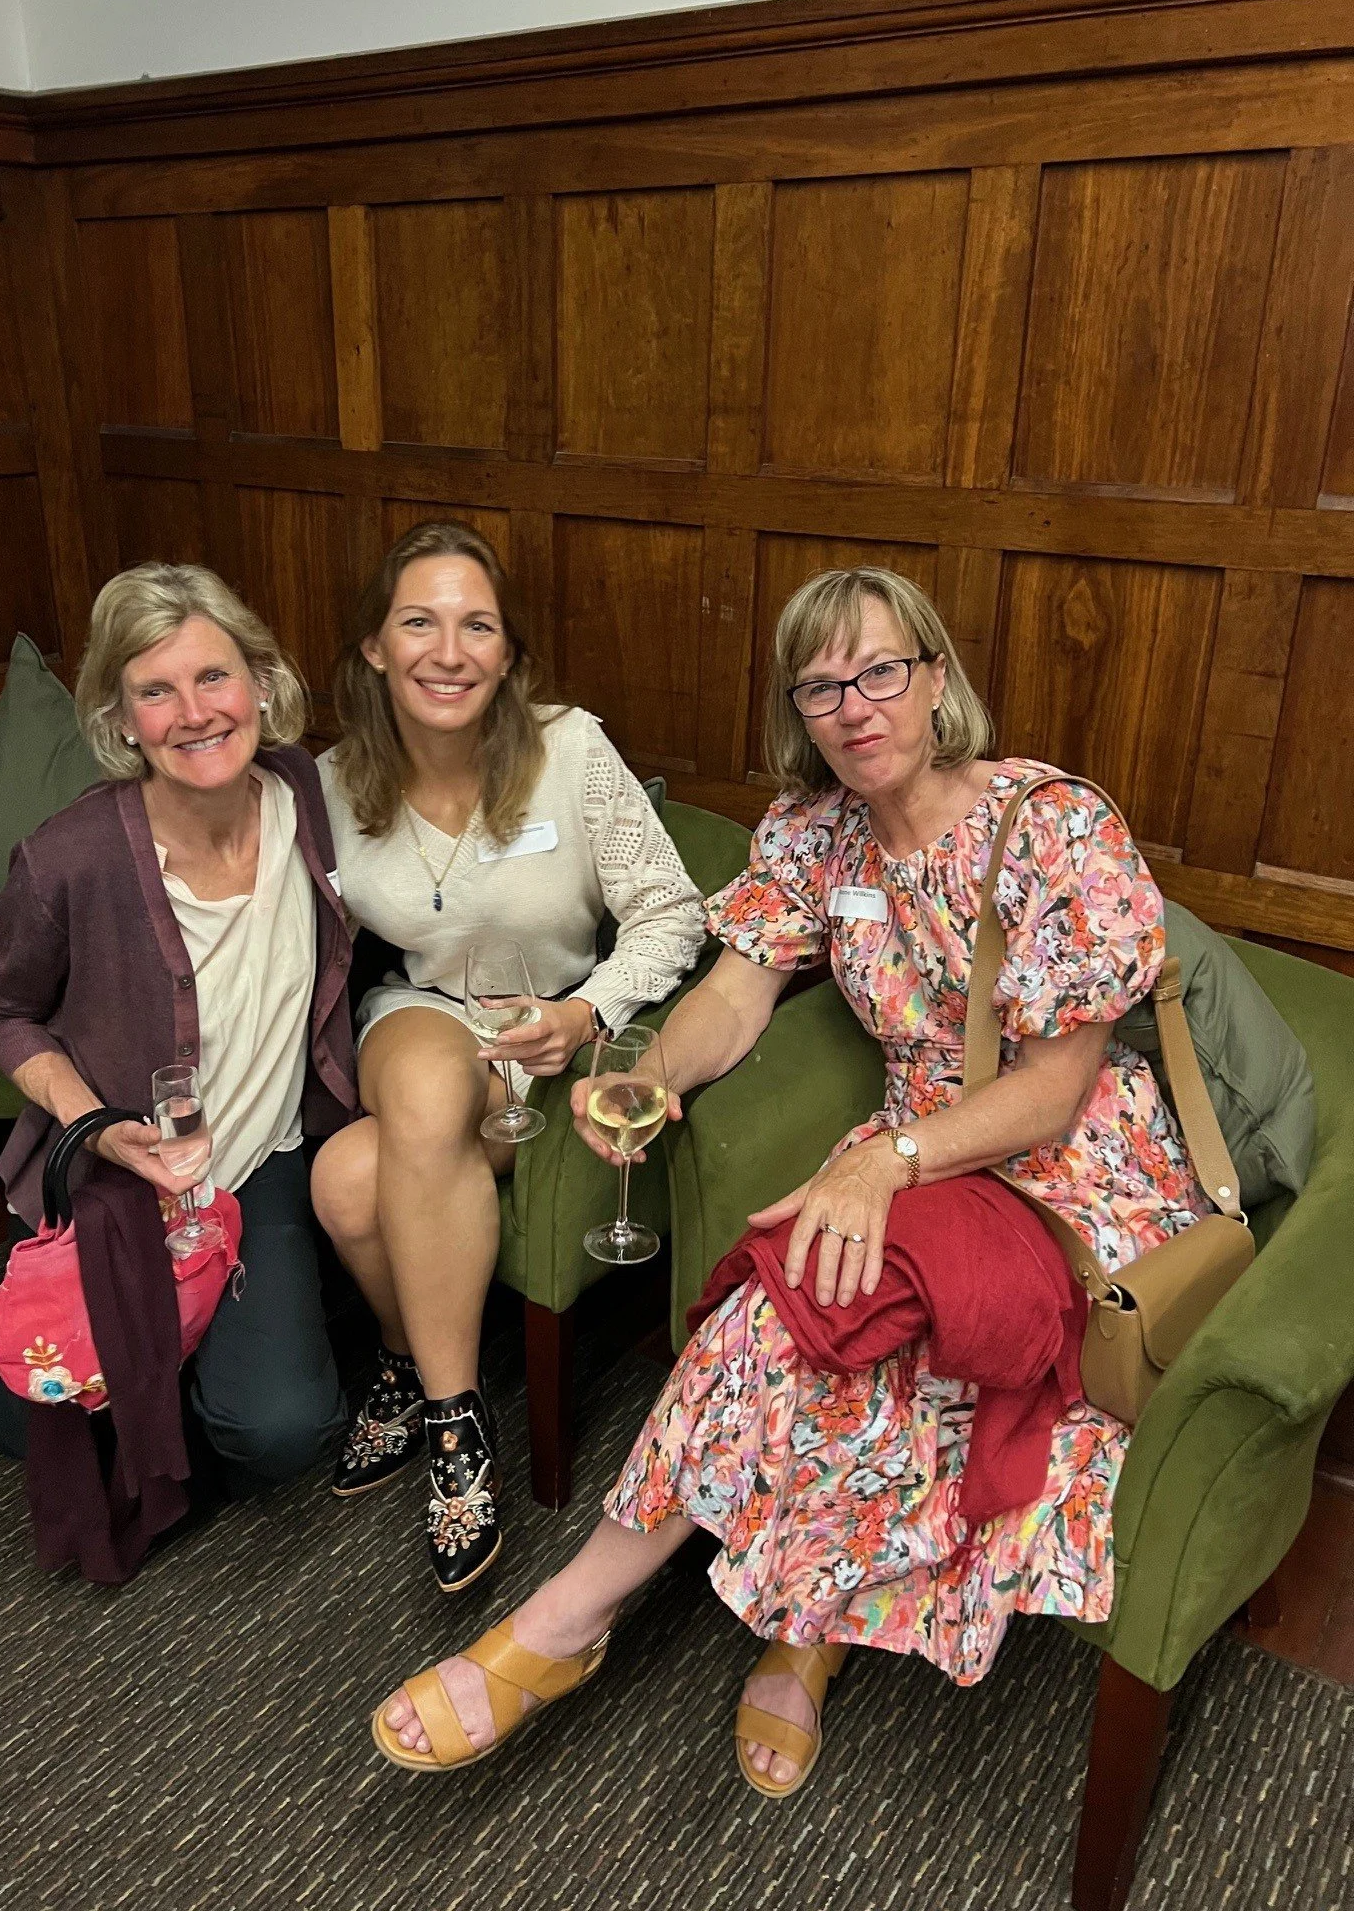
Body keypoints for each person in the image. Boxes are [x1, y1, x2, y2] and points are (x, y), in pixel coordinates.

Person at [369, 565, 1209, 1790]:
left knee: (801, 1307)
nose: (855, 707)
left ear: (935, 677)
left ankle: (572, 1626)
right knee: (818, 1317)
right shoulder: (815, 834)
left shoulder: (1052, 823)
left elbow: (1058, 1085)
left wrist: (886, 1161)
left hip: (1070, 1173)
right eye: (821, 686)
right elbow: (735, 990)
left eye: (880, 672)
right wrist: (657, 1077)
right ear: (797, 710)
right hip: (914, 1148)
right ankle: (798, 1629)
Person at [0, 564, 357, 1498]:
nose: (194, 712)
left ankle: (156, 1401)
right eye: (155, 690)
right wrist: (95, 1122)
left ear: (261, 682)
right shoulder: (69, 859)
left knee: (286, 1434)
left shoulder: (305, 795)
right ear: (121, 718)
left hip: (264, 1167)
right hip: (127, 1185)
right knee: (119, 1435)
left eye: (214, 677)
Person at [312, 520, 705, 1592]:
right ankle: (457, 1426)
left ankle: (402, 1363)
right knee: (432, 1087)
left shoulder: (570, 749)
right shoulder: (334, 785)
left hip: (553, 1038)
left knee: (348, 1184)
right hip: (421, 1016)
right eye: (419, 623)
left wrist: (588, 1012)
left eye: (475, 624)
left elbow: (672, 913)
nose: (449, 650)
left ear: (507, 651)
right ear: (374, 650)